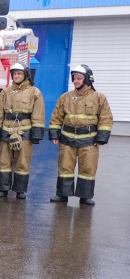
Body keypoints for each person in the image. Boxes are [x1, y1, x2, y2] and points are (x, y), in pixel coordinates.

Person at [48, 65, 113, 206]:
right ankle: (62, 195)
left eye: (79, 78)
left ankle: (85, 196)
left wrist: (101, 137)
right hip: (67, 139)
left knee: (87, 169)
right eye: (74, 78)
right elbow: (56, 117)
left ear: (88, 79)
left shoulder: (99, 98)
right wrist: (54, 133)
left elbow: (106, 118)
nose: (75, 81)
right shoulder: (65, 97)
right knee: (65, 168)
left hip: (89, 140)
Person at [0, 62, 45, 200]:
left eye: (19, 73)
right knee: (4, 161)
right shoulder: (5, 92)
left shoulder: (34, 92)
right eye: (14, 73)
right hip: (7, 129)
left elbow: (38, 113)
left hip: (24, 130)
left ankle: (20, 190)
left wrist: (36, 134)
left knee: (23, 161)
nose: (16, 76)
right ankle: (3, 188)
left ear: (26, 75)